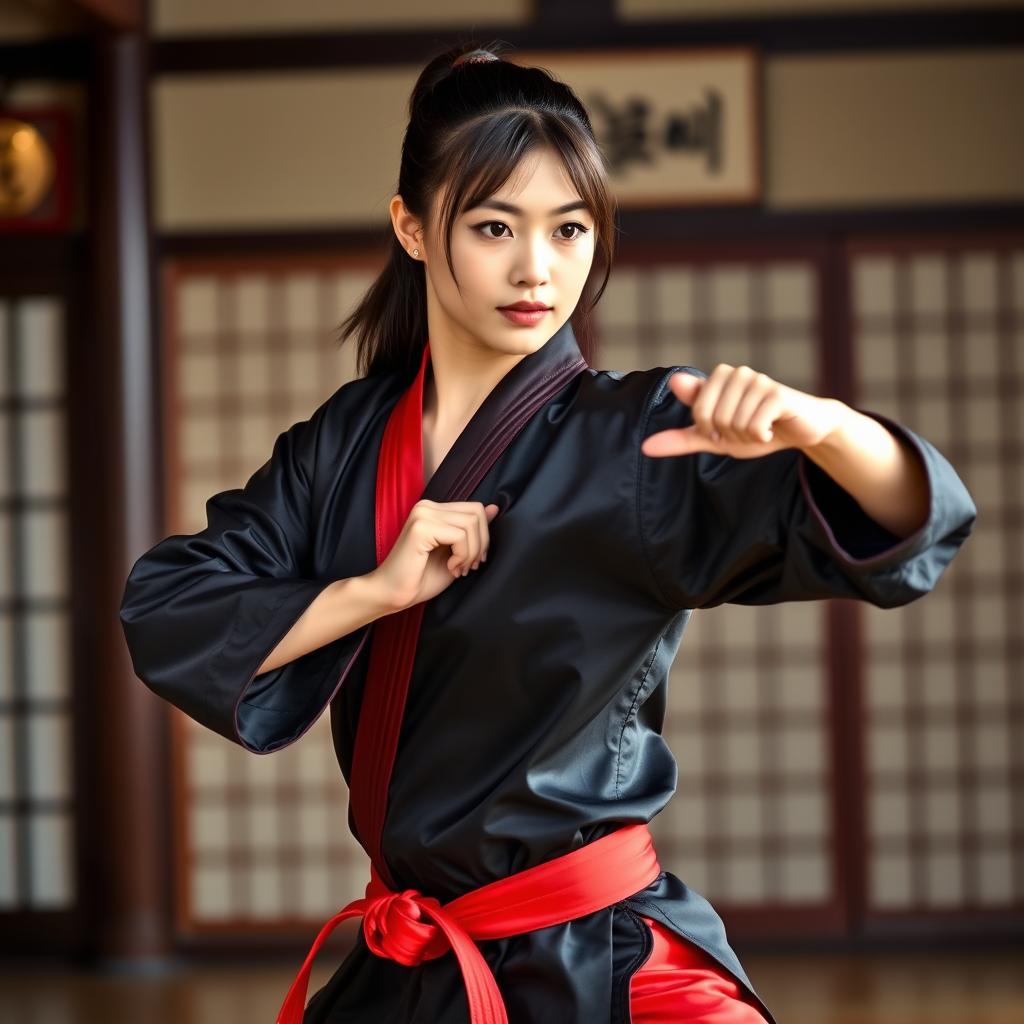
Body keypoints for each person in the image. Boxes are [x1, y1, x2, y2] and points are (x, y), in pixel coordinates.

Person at [118, 41, 977, 1024]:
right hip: (410, 961)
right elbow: (171, 607)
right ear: (409, 226)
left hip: (601, 957)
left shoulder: (639, 437)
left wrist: (824, 429)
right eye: (494, 226)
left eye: (569, 230)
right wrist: (377, 590)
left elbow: (908, 524)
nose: (538, 268)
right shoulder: (339, 447)